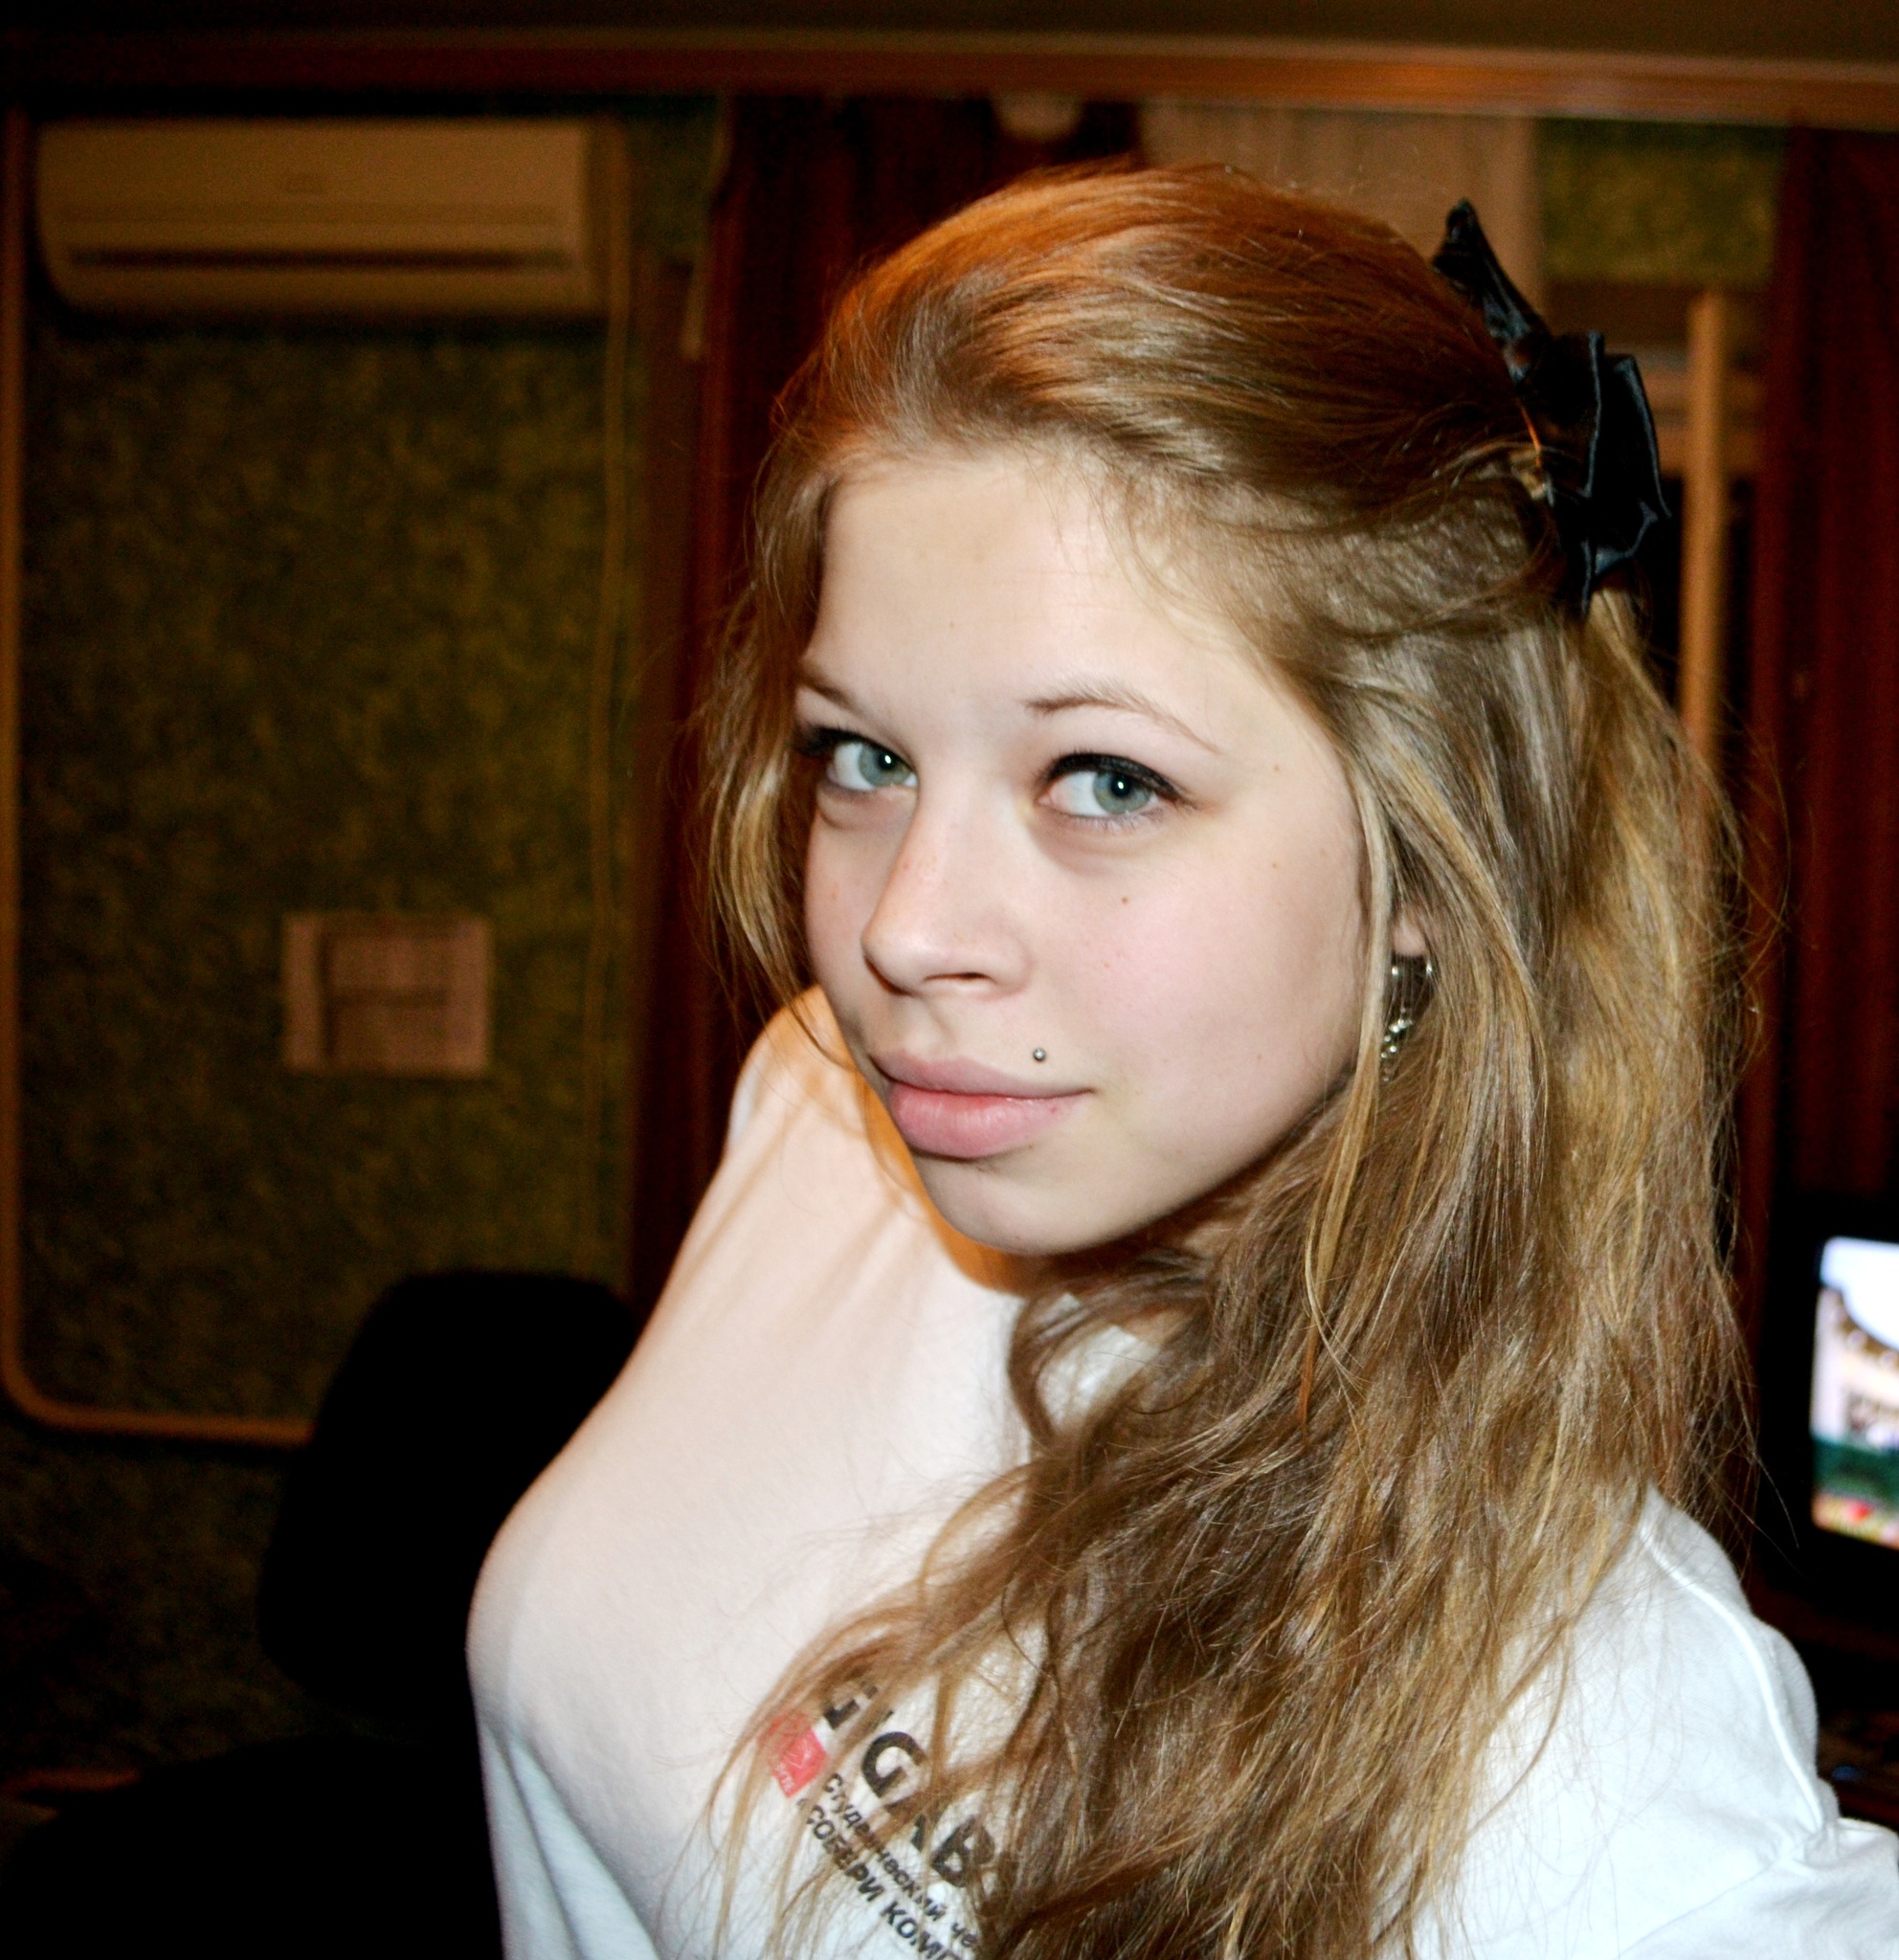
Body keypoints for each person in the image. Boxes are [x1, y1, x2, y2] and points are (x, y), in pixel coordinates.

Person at [469, 169, 1899, 1958]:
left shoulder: (1590, 1743)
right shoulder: (820, 1104)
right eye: (863, 757)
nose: (902, 932)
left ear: (1428, 870)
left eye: (1105, 780)